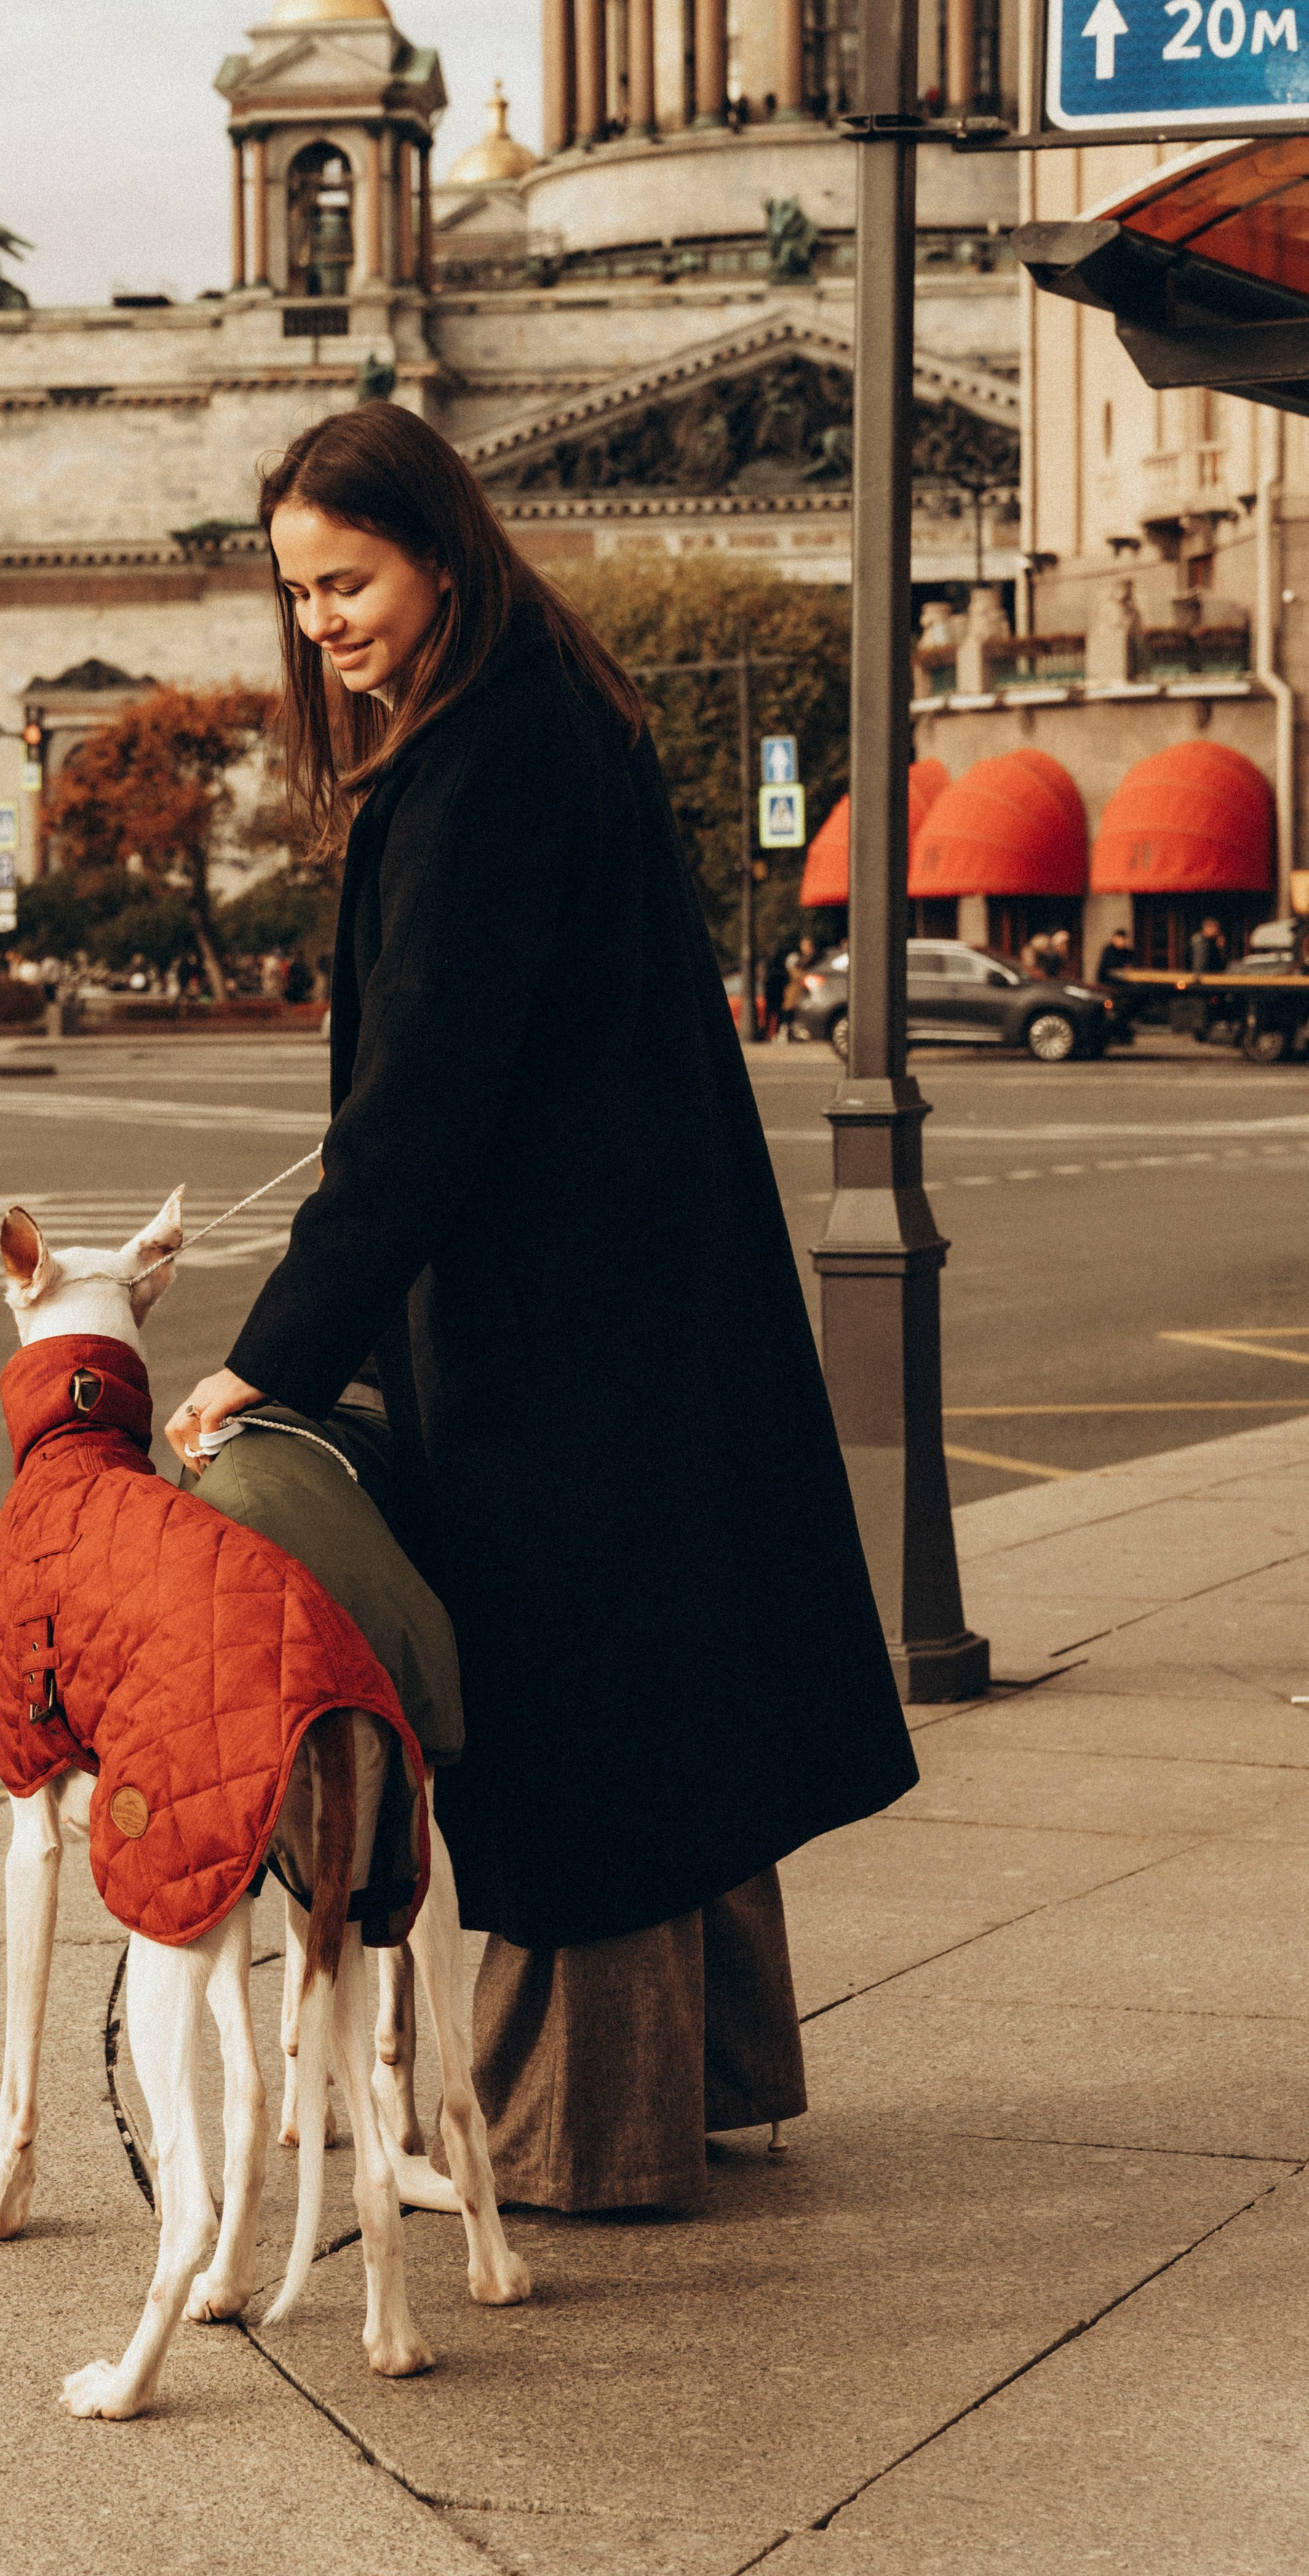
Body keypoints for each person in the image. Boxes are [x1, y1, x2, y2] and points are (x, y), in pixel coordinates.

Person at [165, 404, 915, 2214]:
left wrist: (266, 1355)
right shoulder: (544, 712)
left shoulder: (482, 760)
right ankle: (709, 2073)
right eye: (298, 593)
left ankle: (582, 2137)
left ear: (438, 552)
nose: (322, 622)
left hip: (559, 1326)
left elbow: (420, 1109)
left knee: (579, 1725)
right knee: (669, 1691)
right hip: (634, 1296)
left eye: (346, 581)